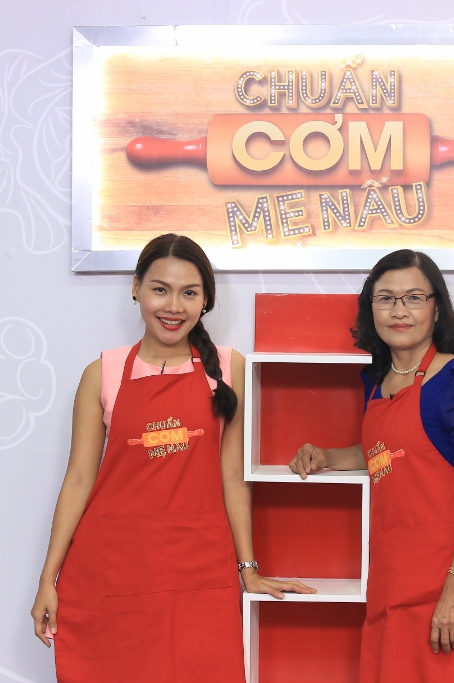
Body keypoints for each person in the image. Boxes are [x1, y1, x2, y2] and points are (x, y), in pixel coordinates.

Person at [32, 233, 313, 683]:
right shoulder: (102, 373)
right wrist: (48, 578)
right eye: (160, 289)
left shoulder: (230, 368)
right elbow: (79, 480)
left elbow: (233, 476)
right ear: (136, 288)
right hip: (113, 567)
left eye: (190, 293)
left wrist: (249, 569)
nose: (174, 306)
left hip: (199, 569)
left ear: (206, 300)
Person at [289, 249, 454, 682]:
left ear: (436, 308)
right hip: (391, 578)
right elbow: (382, 452)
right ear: (371, 309)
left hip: (446, 583)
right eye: (385, 299)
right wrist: (326, 455)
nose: (399, 311)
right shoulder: (377, 382)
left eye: (414, 298)